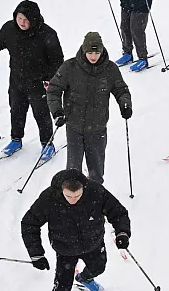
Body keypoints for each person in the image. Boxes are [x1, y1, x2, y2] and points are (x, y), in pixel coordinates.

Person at [21, 168, 131, 291]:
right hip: (65, 250)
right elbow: (29, 223)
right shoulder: (49, 198)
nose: (73, 200)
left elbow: (118, 212)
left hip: (93, 243)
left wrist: (122, 232)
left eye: (77, 196)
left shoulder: (95, 192)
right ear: (62, 190)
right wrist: (36, 254)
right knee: (62, 288)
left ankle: (84, 278)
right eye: (68, 196)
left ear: (84, 189)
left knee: (99, 267)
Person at [0, 0, 64, 160]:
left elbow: (57, 60)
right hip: (17, 80)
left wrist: (49, 79)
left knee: (41, 114)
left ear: (33, 19)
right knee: (16, 110)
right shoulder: (9, 29)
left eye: (26, 20)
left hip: (39, 83)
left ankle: (47, 144)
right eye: (19, 18)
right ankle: (16, 139)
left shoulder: (47, 34)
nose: (22, 22)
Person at [46, 32, 132, 185]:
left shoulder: (110, 69)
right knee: (72, 172)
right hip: (74, 127)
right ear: (84, 50)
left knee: (97, 171)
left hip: (98, 128)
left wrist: (125, 104)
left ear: (102, 51)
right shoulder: (70, 67)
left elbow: (121, 90)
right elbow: (53, 90)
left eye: (97, 52)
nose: (93, 56)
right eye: (90, 52)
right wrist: (57, 112)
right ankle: (72, 198)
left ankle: (95, 197)